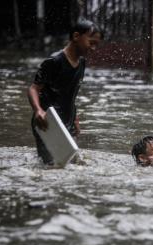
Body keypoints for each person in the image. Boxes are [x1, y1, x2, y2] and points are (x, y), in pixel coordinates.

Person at [27, 19, 103, 164]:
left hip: (68, 120)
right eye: (91, 42)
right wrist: (38, 110)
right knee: (50, 165)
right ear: (76, 36)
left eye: (96, 45)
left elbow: (71, 93)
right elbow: (34, 88)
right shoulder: (54, 61)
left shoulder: (82, 62)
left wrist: (75, 118)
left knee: (71, 163)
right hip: (48, 121)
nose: (93, 48)